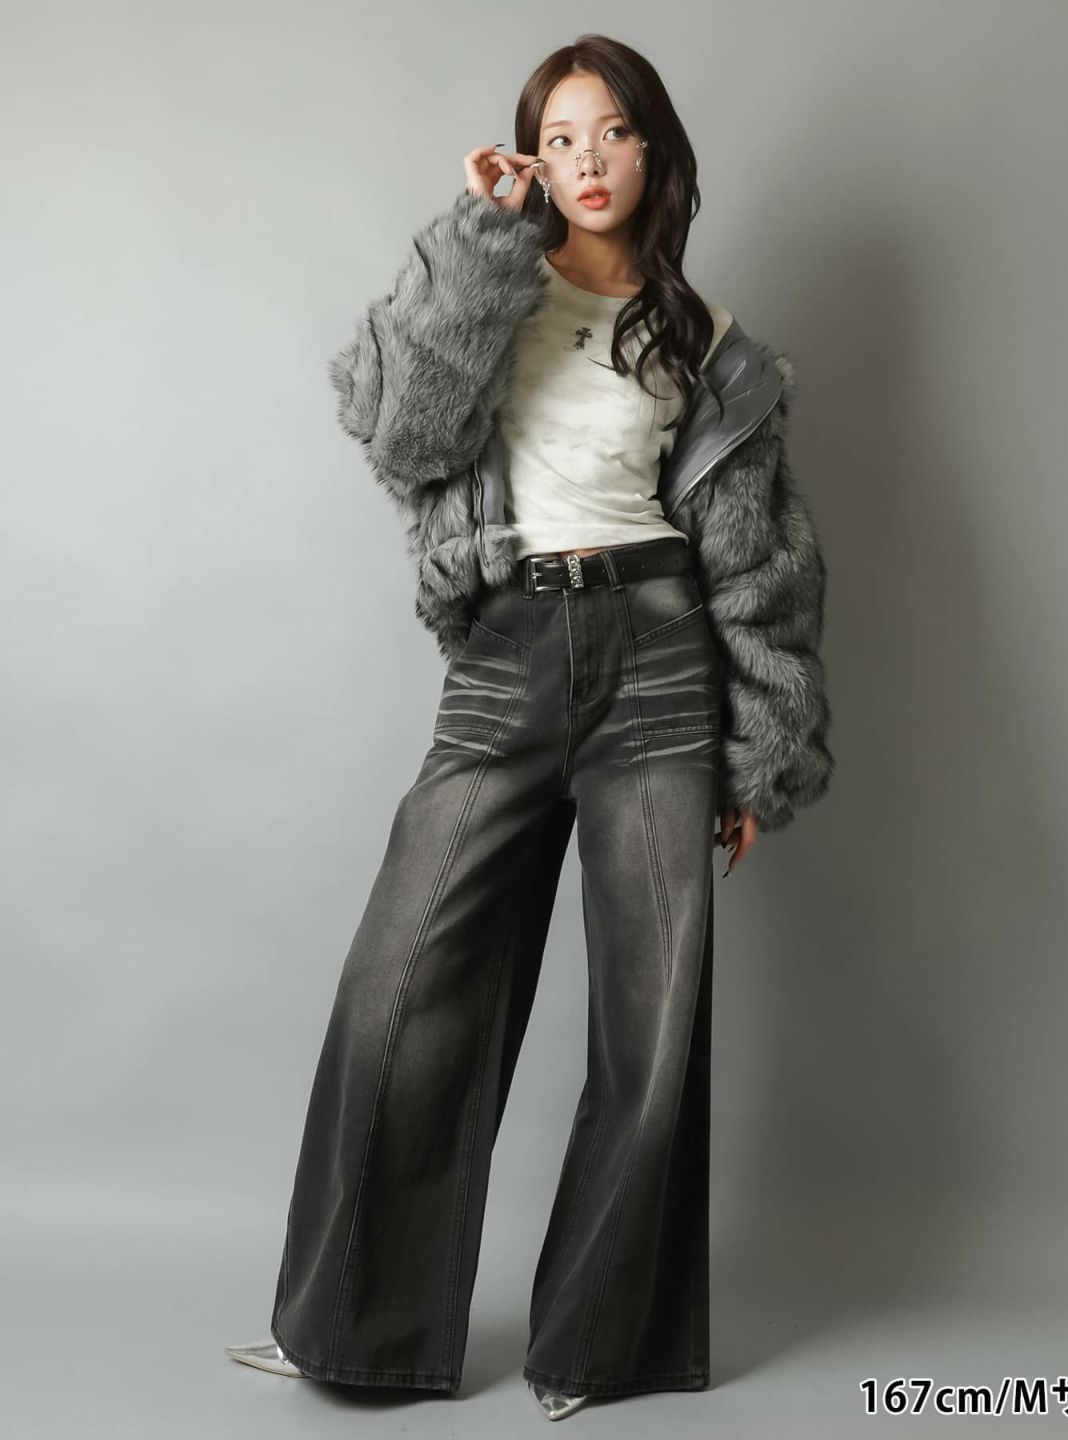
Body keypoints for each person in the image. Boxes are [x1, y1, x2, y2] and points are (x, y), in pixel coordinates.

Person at [225, 34, 833, 1423]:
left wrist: (757, 752)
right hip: (508, 656)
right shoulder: (491, 282)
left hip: (662, 662)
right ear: (529, 160)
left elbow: (756, 565)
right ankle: (353, 1334)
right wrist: (478, 241)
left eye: (610, 132)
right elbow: (400, 430)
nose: (586, 160)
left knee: (649, 1026)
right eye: (559, 138)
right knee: (401, 992)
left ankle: (602, 1354)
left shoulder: (708, 340)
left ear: (652, 149)